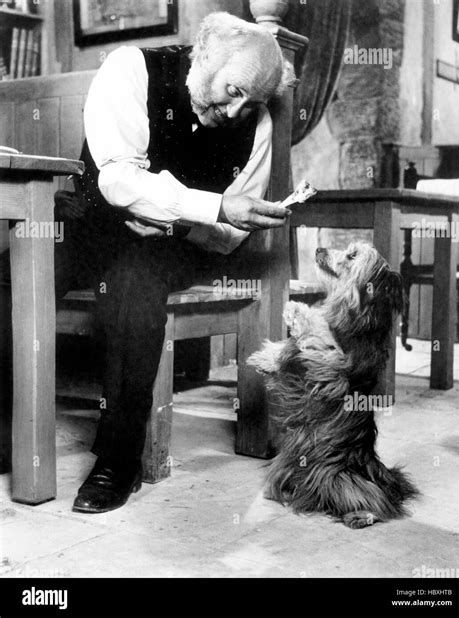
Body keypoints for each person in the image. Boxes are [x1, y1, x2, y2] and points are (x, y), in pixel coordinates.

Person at [0, 12, 294, 513]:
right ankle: (5, 435)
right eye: (234, 89)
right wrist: (211, 205)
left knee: (135, 285)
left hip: (171, 245)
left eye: (253, 101)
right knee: (11, 273)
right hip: (90, 221)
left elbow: (229, 235)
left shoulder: (256, 125)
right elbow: (116, 182)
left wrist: (178, 221)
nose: (237, 109)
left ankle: (119, 458)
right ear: (205, 57)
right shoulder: (130, 69)